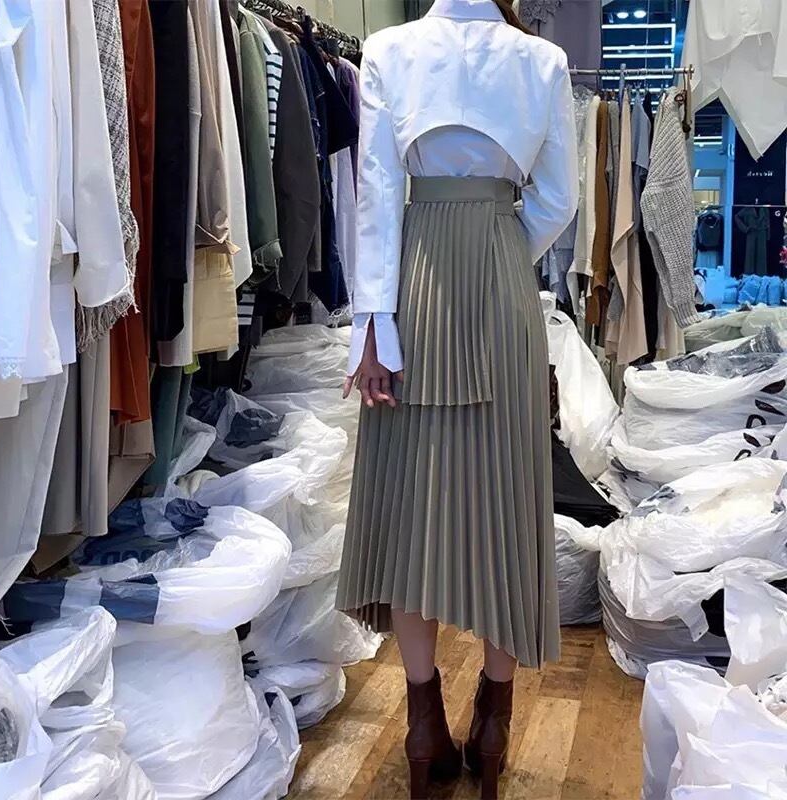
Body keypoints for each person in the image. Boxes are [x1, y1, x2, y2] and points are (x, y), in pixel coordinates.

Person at [335, 1, 578, 797]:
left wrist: (373, 325)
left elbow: (377, 194)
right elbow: (559, 200)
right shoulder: (542, 62)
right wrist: (501, 245)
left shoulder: (388, 50)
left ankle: (422, 722)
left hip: (416, 284)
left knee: (413, 509)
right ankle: (496, 721)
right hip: (503, 278)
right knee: (508, 503)